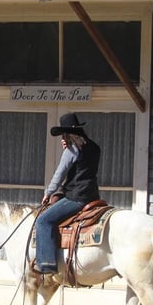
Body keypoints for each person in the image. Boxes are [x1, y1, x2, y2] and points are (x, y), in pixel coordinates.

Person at [34, 112, 101, 274]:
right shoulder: (94, 147)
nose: (62, 139)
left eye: (63, 135)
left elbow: (59, 174)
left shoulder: (71, 151)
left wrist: (48, 193)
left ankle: (47, 263)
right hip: (92, 195)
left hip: (76, 197)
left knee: (43, 221)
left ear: (69, 134)